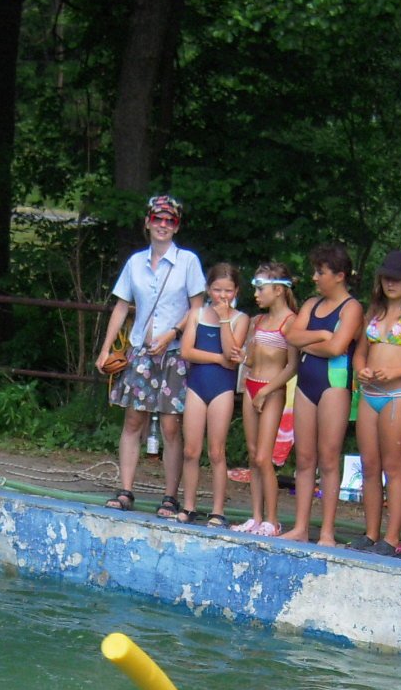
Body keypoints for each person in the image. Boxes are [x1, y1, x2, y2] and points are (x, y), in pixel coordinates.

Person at [96, 195, 206, 517]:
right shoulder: (135, 263)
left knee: (171, 426)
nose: (163, 225)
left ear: (177, 226)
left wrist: (172, 333)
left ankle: (170, 496)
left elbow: (197, 307)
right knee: (133, 420)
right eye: (158, 219)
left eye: (170, 220)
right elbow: (121, 306)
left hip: (173, 353)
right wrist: (105, 349)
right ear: (147, 222)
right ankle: (125, 490)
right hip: (141, 352)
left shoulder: (188, 261)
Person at [283, 243, 362, 544]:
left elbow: (337, 347)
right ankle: (301, 527)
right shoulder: (311, 304)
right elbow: (291, 335)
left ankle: (327, 531)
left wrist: (311, 343)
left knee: (328, 459)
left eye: (320, 272)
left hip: (334, 385)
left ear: (339, 276)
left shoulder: (352, 308)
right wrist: (320, 335)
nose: (314, 277)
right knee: (304, 458)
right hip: (306, 384)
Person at [348, 250, 401, 556]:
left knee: (393, 466)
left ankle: (392, 537)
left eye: (397, 278)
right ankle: (371, 532)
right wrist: (361, 369)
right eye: (386, 278)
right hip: (370, 394)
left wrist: (396, 372)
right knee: (369, 465)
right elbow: (360, 352)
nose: (390, 283)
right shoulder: (374, 313)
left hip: (398, 395)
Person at [177, 263, 247, 525]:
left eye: (228, 291)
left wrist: (225, 319)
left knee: (217, 451)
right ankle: (188, 506)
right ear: (208, 289)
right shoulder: (196, 314)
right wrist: (218, 358)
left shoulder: (240, 319)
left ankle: (218, 510)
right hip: (197, 385)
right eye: (217, 290)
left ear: (236, 291)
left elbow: (232, 356)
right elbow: (187, 352)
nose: (222, 296)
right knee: (191, 450)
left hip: (222, 388)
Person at [235, 263, 298, 536]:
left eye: (261, 289)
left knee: (264, 457)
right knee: (253, 456)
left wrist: (266, 390)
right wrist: (242, 357)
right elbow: (251, 359)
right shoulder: (257, 321)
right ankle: (256, 517)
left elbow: (292, 366)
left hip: (271, 390)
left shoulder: (290, 322)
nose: (256, 294)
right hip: (251, 385)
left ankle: (272, 520)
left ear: (279, 290)